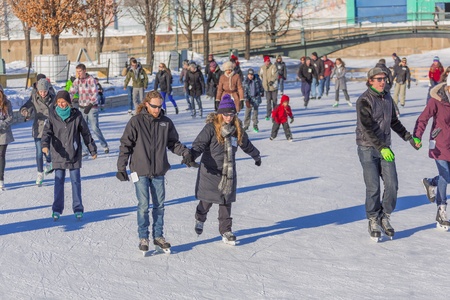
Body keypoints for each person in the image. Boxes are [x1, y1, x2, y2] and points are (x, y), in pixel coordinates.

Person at [116, 90, 195, 253]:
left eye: (159, 107)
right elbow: (126, 145)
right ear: (146, 104)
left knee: (159, 205)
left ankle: (158, 236)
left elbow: (173, 143)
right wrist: (121, 167)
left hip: (159, 170)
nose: (157, 110)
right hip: (140, 170)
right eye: (154, 106)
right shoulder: (136, 122)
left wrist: (186, 153)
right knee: (144, 205)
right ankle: (143, 237)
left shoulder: (165, 122)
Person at [356, 67, 419, 241]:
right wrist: (381, 147)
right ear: (370, 81)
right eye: (379, 79)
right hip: (368, 148)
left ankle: (385, 216)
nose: (383, 81)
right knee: (373, 187)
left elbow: (393, 121)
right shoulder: (364, 100)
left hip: (385, 148)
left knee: (392, 185)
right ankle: (373, 218)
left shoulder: (388, 98)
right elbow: (366, 128)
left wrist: (408, 137)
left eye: (384, 78)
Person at [190, 94, 261, 245]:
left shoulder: (237, 129)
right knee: (206, 201)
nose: (228, 117)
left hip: (227, 173)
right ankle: (200, 218)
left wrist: (256, 156)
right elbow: (199, 145)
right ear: (220, 113)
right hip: (210, 171)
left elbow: (246, 145)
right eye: (226, 114)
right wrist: (191, 156)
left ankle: (226, 230)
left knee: (225, 201)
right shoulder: (210, 128)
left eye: (231, 114)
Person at [41, 91, 97, 220]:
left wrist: (92, 149)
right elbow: (46, 133)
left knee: (76, 181)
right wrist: (45, 145)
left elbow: (86, 133)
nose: (61, 104)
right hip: (58, 152)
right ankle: (56, 209)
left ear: (68, 102)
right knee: (59, 181)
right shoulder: (52, 115)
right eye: (58, 102)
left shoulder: (76, 115)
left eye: (63, 102)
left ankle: (78, 209)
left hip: (74, 152)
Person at [413, 77, 450, 230]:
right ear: (448, 87)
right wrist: (417, 136)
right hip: (439, 144)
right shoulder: (436, 100)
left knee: (447, 176)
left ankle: (430, 182)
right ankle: (441, 211)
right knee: (445, 175)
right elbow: (423, 119)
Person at [20, 78, 55, 186]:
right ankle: (40, 173)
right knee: (39, 152)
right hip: (38, 128)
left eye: (45, 91)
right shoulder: (34, 98)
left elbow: (59, 108)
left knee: (48, 150)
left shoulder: (53, 98)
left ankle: (49, 161)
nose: (43, 93)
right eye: (41, 91)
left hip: (50, 127)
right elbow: (25, 106)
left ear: (48, 90)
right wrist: (25, 112)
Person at [70, 63, 109, 156]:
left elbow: (95, 95)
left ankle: (104, 145)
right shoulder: (77, 81)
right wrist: (66, 100)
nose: (78, 73)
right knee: (83, 129)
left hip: (92, 108)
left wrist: (90, 105)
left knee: (95, 128)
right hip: (82, 107)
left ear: (84, 71)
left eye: (80, 71)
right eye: (77, 72)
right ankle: (85, 150)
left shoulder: (91, 80)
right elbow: (71, 92)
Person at [0, 85, 14, 190]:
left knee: (1, 155)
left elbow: (11, 117)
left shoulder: (7, 103)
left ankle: (1, 179)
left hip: (4, 133)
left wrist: (2, 124)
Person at [243, 68, 264, 132]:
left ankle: (255, 125)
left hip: (256, 98)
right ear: (247, 75)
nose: (250, 76)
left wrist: (262, 92)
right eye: (249, 75)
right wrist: (246, 100)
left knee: (255, 113)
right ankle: (246, 125)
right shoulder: (245, 82)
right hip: (249, 99)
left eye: (252, 75)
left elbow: (261, 86)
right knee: (247, 113)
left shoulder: (257, 80)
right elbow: (244, 91)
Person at [259, 55, 278, 120]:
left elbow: (275, 75)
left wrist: (272, 81)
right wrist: (263, 82)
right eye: (266, 61)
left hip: (273, 87)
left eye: (268, 61)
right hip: (266, 87)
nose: (267, 62)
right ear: (264, 61)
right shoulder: (262, 68)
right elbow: (260, 75)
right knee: (268, 101)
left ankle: (275, 114)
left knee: (274, 101)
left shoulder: (273, 67)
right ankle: (268, 114)